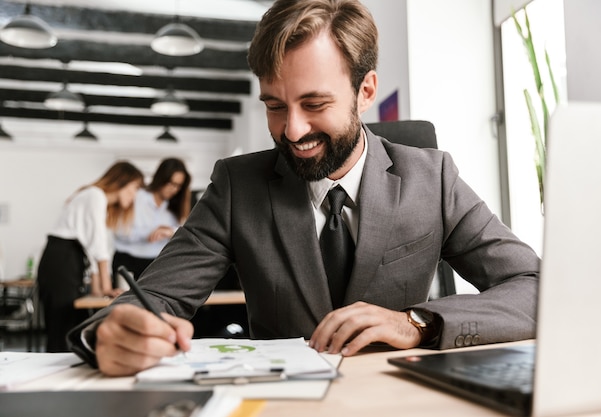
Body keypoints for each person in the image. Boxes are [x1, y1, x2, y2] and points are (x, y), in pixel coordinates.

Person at [68, 0, 540, 376]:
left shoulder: (431, 178)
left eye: (314, 103)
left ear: (366, 90)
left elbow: (536, 287)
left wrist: (416, 322)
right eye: (275, 106)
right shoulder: (237, 187)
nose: (292, 131)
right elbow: (149, 300)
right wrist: (110, 334)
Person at [38, 161, 144, 352]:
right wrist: (106, 287)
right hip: (61, 261)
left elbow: (91, 248)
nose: (135, 195)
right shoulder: (95, 195)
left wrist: (98, 290)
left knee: (69, 326)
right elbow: (98, 245)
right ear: (121, 181)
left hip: (67, 260)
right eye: (135, 187)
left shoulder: (93, 197)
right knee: (62, 329)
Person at [112, 158, 191, 280]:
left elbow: (185, 233)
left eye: (178, 186)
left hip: (157, 264)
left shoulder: (174, 208)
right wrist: (150, 233)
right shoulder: (136, 196)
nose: (174, 189)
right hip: (127, 261)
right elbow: (119, 231)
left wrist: (170, 232)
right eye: (170, 183)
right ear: (161, 178)